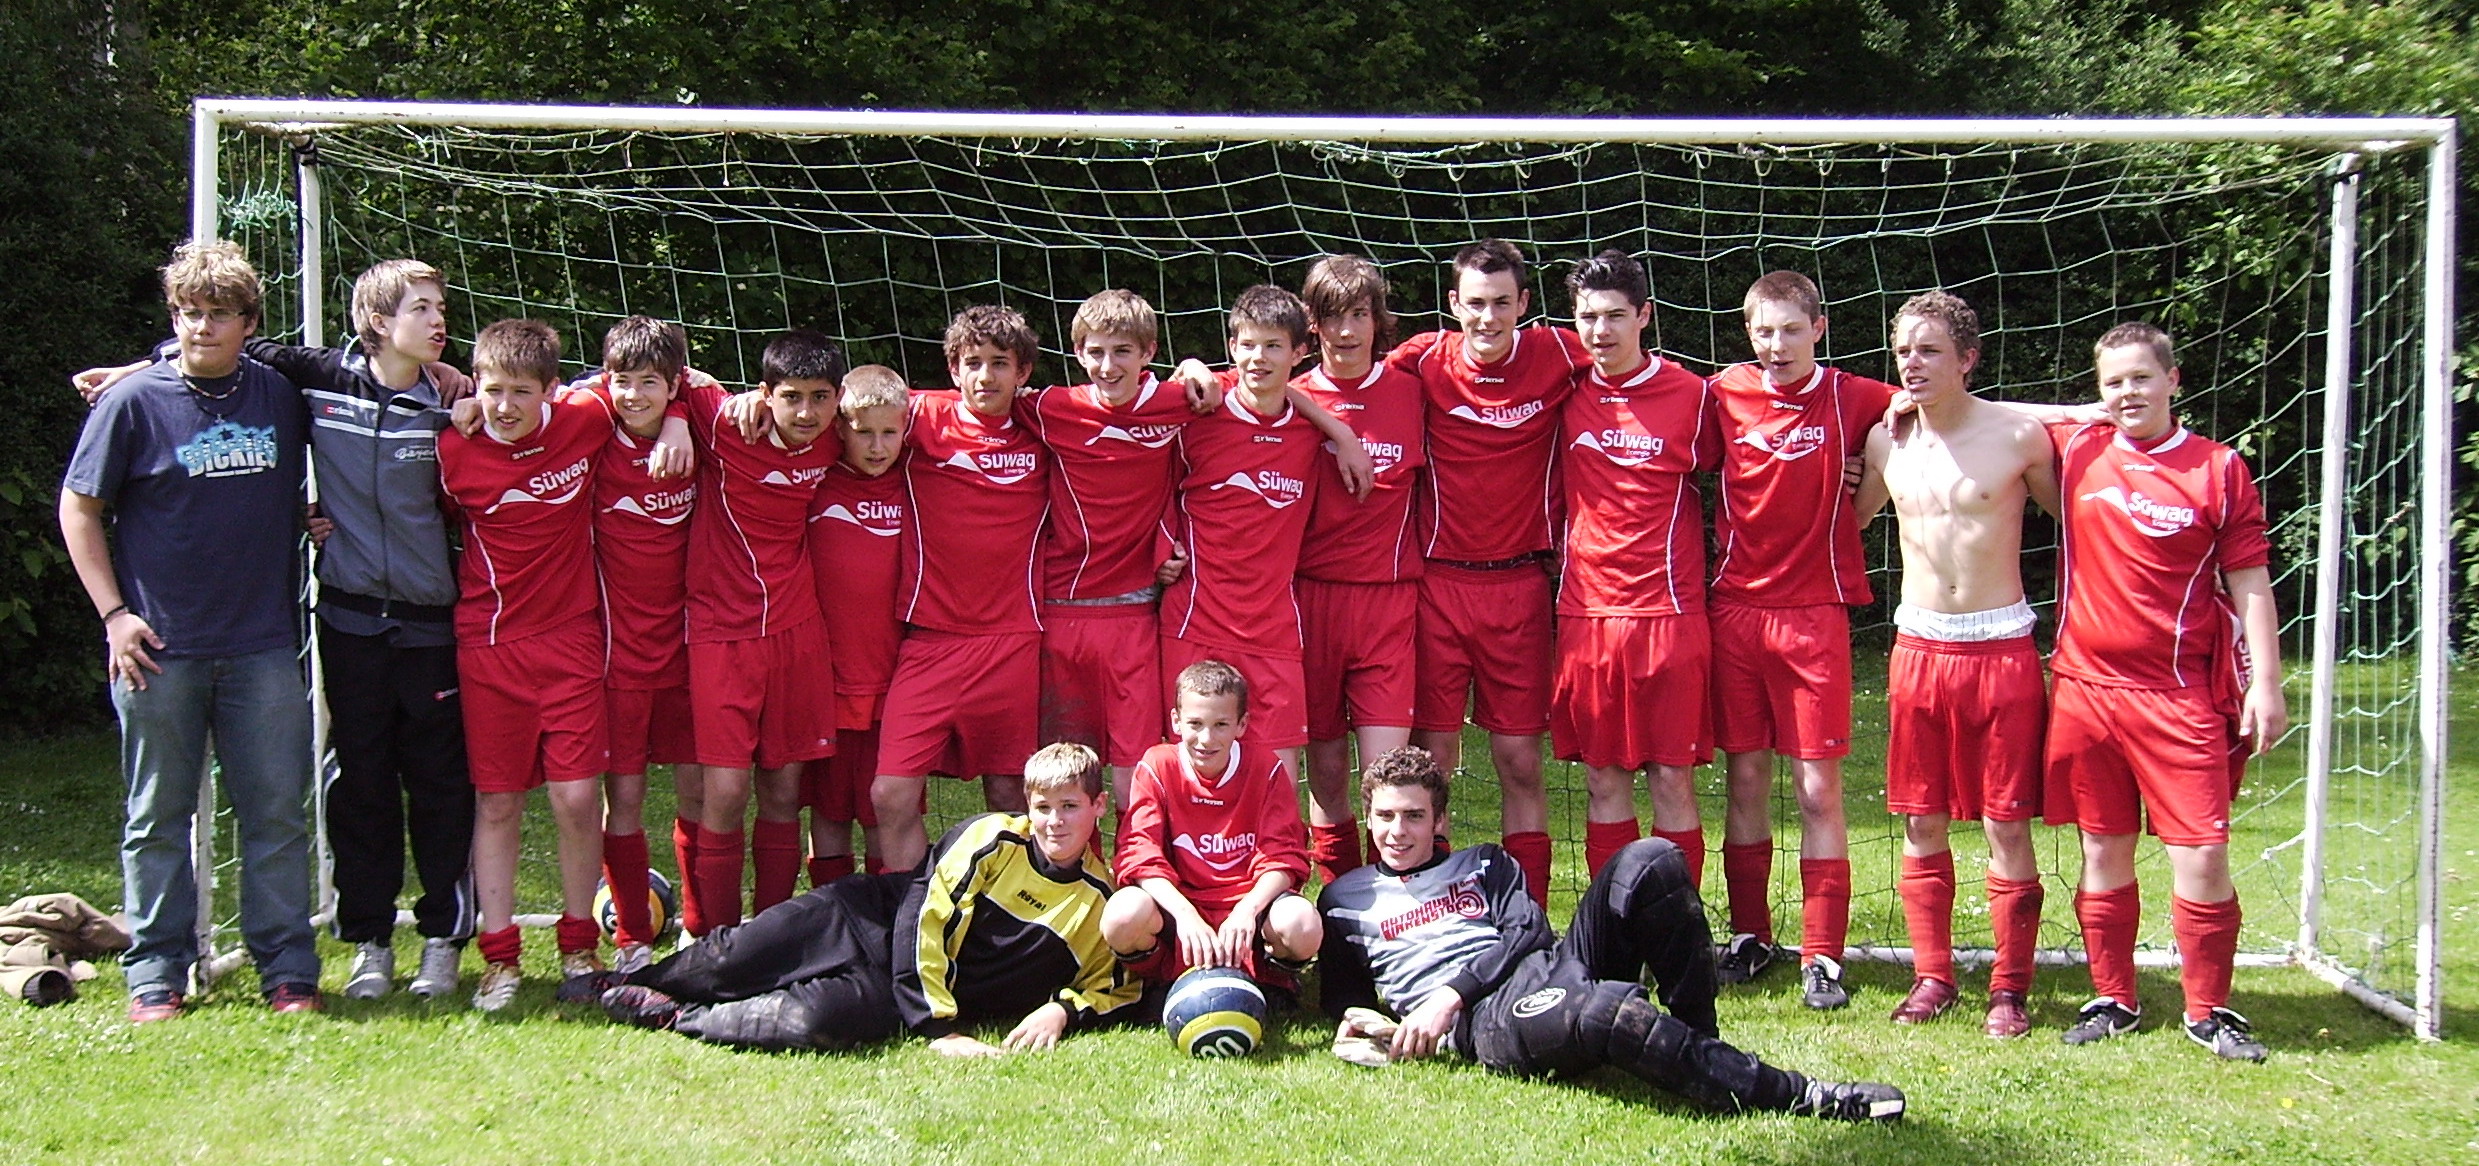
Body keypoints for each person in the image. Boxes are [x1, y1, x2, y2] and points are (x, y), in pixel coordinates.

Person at [75, 259, 488, 1002]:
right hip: (290, 629)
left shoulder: (435, 401)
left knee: (401, 793)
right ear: (378, 320)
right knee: (335, 787)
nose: (438, 320)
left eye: (439, 308)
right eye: (421, 308)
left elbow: (541, 399)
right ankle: (336, 946)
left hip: (378, 632)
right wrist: (138, 370)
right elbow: (86, 499)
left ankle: (389, 950)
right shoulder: (307, 382)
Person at [1316, 747, 1905, 1122]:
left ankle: (1701, 1045)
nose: (1398, 831)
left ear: (1440, 820)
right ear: (1369, 817)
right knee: (1603, 1012)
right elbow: (1345, 1001)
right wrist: (1365, 1023)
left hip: (1545, 966)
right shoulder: (1344, 901)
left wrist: (1449, 994)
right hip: (1490, 1021)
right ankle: (1806, 1096)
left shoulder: (1484, 861)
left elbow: (1528, 931)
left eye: (1414, 816)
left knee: (1653, 858)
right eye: (1385, 816)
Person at [59, 239, 321, 1022]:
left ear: (249, 322)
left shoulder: (279, 396)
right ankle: (156, 974)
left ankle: (288, 971)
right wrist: (115, 616)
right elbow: (79, 507)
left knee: (276, 816)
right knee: (157, 820)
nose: (201, 327)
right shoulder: (133, 403)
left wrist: (314, 515)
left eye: (218, 313)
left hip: (262, 645)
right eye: (187, 312)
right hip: (158, 650)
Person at [2043, 324, 2286, 1060]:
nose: (2127, 393)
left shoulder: (2217, 468)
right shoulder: (2077, 449)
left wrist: (2266, 682)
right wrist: (2076, 413)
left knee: (2203, 853)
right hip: (2086, 690)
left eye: (2141, 378)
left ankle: (2208, 1010)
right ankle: (2113, 997)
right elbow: (1980, 413)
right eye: (2112, 382)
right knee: (2102, 849)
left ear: (2173, 380)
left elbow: (2249, 580)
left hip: (2177, 695)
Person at [597, 743, 1144, 1055]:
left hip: (889, 990)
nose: (1055, 822)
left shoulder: (1099, 902)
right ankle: (631, 983)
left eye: (1070, 807)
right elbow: (926, 918)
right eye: (1043, 807)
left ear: (1099, 807)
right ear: (1027, 805)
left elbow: (1119, 988)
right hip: (860, 920)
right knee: (732, 958)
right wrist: (937, 1027)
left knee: (808, 1021)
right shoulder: (991, 838)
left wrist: (1060, 1011)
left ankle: (676, 1017)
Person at [1853, 291, 2059, 1035]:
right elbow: (1845, 521)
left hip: (1999, 650)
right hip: (1918, 649)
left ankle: (2009, 988)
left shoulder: (2019, 437)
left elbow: (2085, 521)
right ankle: (1932, 976)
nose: (1912, 363)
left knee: (2007, 825)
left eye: (1930, 350)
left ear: (1967, 359)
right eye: (1904, 350)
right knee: (1920, 819)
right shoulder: (1887, 441)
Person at [437, 319, 642, 1009]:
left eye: (521, 392)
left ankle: (579, 946)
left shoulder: (585, 419)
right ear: (476, 384)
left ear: (552, 390)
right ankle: (499, 957)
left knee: (577, 798)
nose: (504, 406)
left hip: (572, 641)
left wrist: (675, 420)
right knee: (498, 801)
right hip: (490, 646)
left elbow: (656, 385)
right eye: (493, 390)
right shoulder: (453, 449)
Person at [1704, 271, 1894, 1008]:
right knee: (1746, 781)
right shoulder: (1723, 393)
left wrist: (1867, 490)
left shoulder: (1853, 397)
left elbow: (1941, 408)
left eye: (1790, 330)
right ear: (1747, 333)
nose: (1777, 345)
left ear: (1819, 328)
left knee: (1817, 790)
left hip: (1814, 615)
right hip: (1734, 612)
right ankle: (1750, 935)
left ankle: (1822, 956)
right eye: (1764, 331)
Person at [1386, 239, 1591, 908]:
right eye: (1475, 303)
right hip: (1439, 586)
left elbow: (1635, 372)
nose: (1488, 317)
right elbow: (1338, 379)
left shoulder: (1558, 353)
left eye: (1502, 303)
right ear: (1453, 304)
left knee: (1520, 762)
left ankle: (1528, 914)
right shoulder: (1422, 360)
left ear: (1523, 304)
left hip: (1520, 588)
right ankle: (1427, 912)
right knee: (1432, 766)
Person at [1549, 250, 1720, 883]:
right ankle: (1612, 924)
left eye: (1616, 316)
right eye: (1588, 317)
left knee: (1672, 779)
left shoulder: (1693, 396)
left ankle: (1678, 922)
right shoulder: (1561, 391)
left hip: (1668, 615)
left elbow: (1754, 463)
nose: (1601, 331)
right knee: (1603, 780)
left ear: (1644, 316)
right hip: (1587, 614)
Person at [869, 306, 1054, 871]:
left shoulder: (1045, 426)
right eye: (972, 362)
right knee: (890, 794)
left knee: (1010, 795)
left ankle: (1010, 908)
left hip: (1012, 641)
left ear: (1023, 372)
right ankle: (913, 913)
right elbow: (845, 406)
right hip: (931, 639)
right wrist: (688, 405)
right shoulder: (918, 417)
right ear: (953, 369)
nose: (985, 376)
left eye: (1000, 363)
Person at [679, 331, 845, 931]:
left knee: (783, 789)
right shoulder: (724, 423)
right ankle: (711, 934)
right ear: (765, 394)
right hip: (721, 631)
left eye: (820, 397)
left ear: (837, 399)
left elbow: (908, 406)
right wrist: (674, 421)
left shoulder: (841, 437)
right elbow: (654, 370)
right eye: (791, 396)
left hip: (798, 632)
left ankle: (769, 935)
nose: (806, 412)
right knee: (723, 791)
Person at [1021, 291, 1197, 809]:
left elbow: (1254, 388)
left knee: (1132, 775)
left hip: (1135, 614)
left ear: (1148, 352)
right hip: (1063, 610)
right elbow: (973, 399)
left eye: (1122, 351)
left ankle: (1138, 862)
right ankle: (1072, 863)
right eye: (1095, 352)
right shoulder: (1053, 407)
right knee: (1064, 775)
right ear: (1077, 353)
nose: (1108, 365)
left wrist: (1194, 367)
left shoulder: (1178, 403)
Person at [1290, 255, 1426, 884]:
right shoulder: (1290, 395)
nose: (1346, 331)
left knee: (1387, 776)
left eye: (1359, 314)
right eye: (1331, 317)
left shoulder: (1413, 389)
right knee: (1324, 774)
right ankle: (1340, 903)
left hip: (1388, 603)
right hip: (1309, 602)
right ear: (1311, 325)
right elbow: (1221, 379)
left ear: (1378, 321)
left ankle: (1402, 907)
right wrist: (1338, 431)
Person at [1157, 286, 1328, 780]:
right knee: (1193, 779)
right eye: (1248, 345)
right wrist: (1160, 549)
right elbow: (1145, 486)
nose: (1259, 358)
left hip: (1273, 629)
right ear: (1231, 347)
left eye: (1274, 346)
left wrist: (1343, 434)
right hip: (1197, 622)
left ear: (1300, 352)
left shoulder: (1312, 430)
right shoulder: (1196, 416)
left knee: (1279, 781)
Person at [575, 317, 702, 972]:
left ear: (673, 384)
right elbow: (549, 395)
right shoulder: (591, 429)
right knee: (622, 799)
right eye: (622, 382)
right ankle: (631, 937)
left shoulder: (701, 426)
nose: (633, 396)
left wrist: (679, 418)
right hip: (617, 656)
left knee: (698, 794)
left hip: (690, 651)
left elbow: (713, 390)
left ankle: (700, 929)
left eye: (650, 383)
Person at [1102, 661, 1321, 992]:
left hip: (1247, 908)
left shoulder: (1266, 768)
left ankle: (1271, 983)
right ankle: (1158, 983)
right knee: (1122, 914)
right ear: (1176, 721)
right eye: (1195, 723)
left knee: (1301, 923)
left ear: (1242, 724)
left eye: (1221, 725)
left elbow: (1283, 857)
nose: (1206, 739)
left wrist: (1247, 910)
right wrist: (1186, 914)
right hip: (1180, 908)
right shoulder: (1157, 766)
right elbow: (1139, 855)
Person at [803, 365, 912, 881]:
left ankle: (883, 915)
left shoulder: (917, 479)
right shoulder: (815, 478)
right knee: (828, 811)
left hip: (895, 681)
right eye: (864, 431)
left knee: (881, 810)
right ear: (839, 428)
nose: (877, 445)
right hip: (824, 679)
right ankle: (834, 913)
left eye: (889, 432)